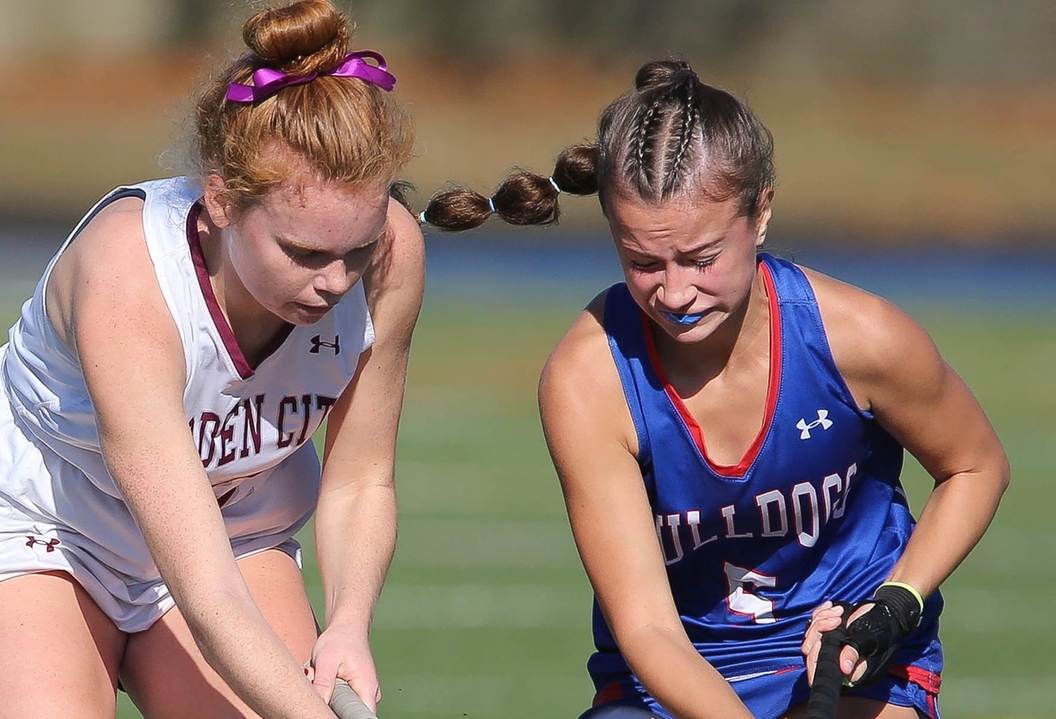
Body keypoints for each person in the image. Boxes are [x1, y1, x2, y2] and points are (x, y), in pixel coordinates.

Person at [0, 1, 421, 717]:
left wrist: (347, 624)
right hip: (39, 518)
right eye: (303, 252)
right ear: (221, 201)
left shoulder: (393, 256)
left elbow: (361, 478)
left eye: (356, 248)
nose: (336, 282)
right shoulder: (129, 276)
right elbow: (210, 597)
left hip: (234, 524)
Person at [418, 60, 1009, 719]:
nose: (673, 293)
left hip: (855, 661)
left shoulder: (861, 337)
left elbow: (975, 465)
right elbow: (647, 628)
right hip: (672, 676)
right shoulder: (588, 378)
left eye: (701, 258)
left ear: (761, 212)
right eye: (642, 261)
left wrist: (895, 603)